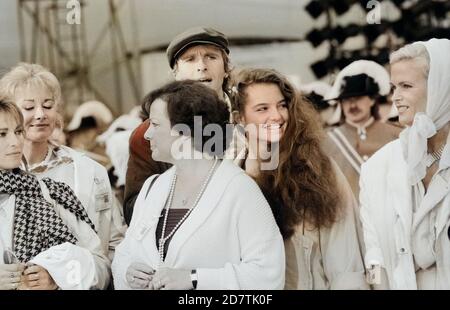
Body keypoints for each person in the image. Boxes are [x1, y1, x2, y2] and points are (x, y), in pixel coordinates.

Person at [112, 80, 285, 290]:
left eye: (155, 125)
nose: (147, 134)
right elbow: (123, 255)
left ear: (185, 132)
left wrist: (195, 279)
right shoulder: (152, 188)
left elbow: (267, 275)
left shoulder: (240, 191)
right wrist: (128, 271)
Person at [230, 68, 367, 290]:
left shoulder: (319, 170)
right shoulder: (229, 180)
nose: (277, 116)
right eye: (262, 108)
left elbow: (346, 263)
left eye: (282, 105)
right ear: (240, 119)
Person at [0, 63, 126, 270]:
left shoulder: (90, 170)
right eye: (29, 107)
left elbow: (114, 243)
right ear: (10, 112)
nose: (40, 114)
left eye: (48, 105)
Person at [123, 26, 243, 225]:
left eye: (211, 57)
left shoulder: (251, 120)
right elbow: (134, 209)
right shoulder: (148, 134)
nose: (202, 66)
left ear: (226, 69)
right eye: (190, 59)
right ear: (176, 72)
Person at [360, 38, 450, 289]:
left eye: (406, 86)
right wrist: (377, 286)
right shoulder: (376, 168)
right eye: (393, 87)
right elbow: (374, 256)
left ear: (441, 86)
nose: (396, 97)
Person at [0, 100, 110, 290]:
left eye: (18, 132)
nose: (15, 142)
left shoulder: (51, 194)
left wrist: (57, 276)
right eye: (2, 134)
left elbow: (101, 267)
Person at [323, 60, 402, 199]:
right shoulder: (326, 141)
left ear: (372, 100)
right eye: (346, 100)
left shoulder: (396, 135)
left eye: (358, 98)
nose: (352, 105)